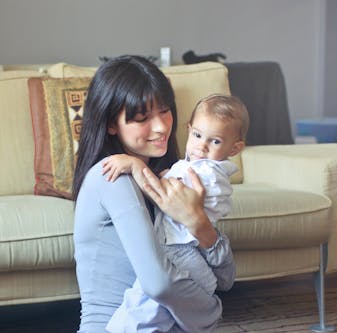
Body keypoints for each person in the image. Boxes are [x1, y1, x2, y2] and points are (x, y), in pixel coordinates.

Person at [73, 55, 236, 333]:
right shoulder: (111, 176)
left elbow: (226, 278)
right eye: (142, 118)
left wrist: (198, 221)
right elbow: (159, 283)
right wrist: (211, 312)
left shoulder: (173, 179)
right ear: (112, 124)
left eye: (164, 110)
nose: (161, 126)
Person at [102, 94, 249, 332]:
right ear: (189, 130)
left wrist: (135, 165)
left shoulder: (206, 172)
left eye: (215, 142)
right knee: (161, 310)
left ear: (235, 148)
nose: (201, 146)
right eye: (198, 135)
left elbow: (163, 196)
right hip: (189, 250)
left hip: (180, 248)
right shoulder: (194, 167)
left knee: (144, 300)